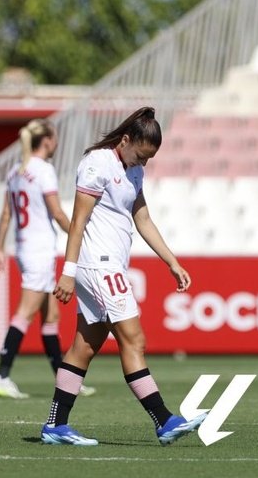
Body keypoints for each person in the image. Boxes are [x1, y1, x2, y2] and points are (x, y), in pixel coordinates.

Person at [40, 107, 206, 446]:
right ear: (126, 139)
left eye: (148, 160)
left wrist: (171, 262)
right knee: (134, 340)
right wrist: (68, 273)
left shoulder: (133, 170)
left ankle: (55, 426)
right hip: (97, 265)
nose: (142, 164)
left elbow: (142, 218)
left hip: (108, 265)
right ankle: (164, 420)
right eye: (140, 156)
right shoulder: (98, 163)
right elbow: (78, 222)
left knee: (84, 347)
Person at [0, 119, 94, 399]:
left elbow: (6, 215)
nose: (57, 143)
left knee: (51, 316)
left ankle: (66, 381)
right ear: (46, 140)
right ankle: (2, 376)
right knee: (25, 312)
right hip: (39, 250)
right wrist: (80, 236)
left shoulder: (16, 171)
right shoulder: (44, 170)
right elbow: (58, 213)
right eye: (55, 138)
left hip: (25, 248)